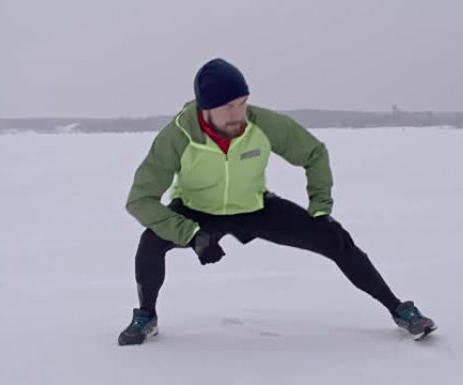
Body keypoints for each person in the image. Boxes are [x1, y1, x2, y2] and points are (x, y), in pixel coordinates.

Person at [118, 58, 436, 345]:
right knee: (150, 242)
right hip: (196, 211)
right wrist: (189, 234)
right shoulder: (178, 136)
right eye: (228, 107)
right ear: (205, 108)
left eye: (242, 103)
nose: (238, 114)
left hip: (255, 207)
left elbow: (314, 153)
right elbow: (140, 200)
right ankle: (146, 316)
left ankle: (399, 309)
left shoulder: (262, 124)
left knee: (335, 238)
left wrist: (320, 207)